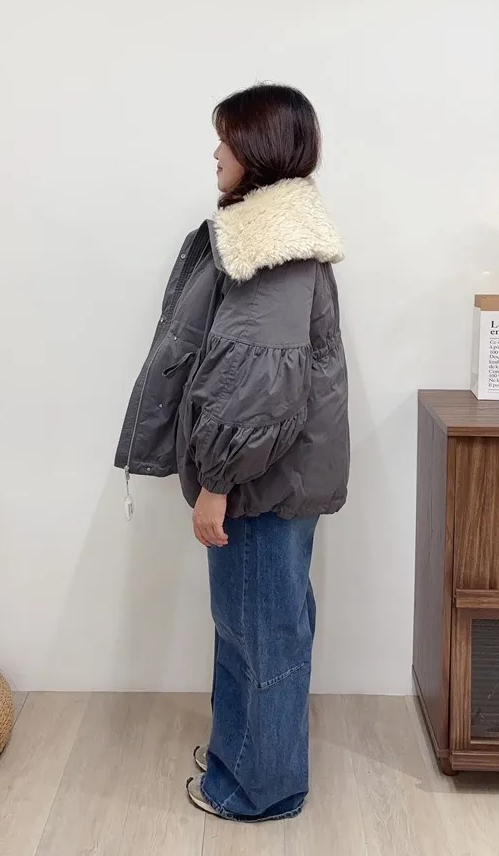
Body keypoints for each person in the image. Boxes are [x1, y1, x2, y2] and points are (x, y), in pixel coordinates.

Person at [115, 83, 349, 822]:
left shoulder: (270, 247)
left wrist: (218, 480)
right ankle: (239, 755)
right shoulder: (268, 233)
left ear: (259, 149)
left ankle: (259, 789)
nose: (215, 151)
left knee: (260, 632)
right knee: (255, 625)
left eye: (227, 138)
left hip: (260, 484)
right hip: (275, 479)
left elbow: (258, 386)